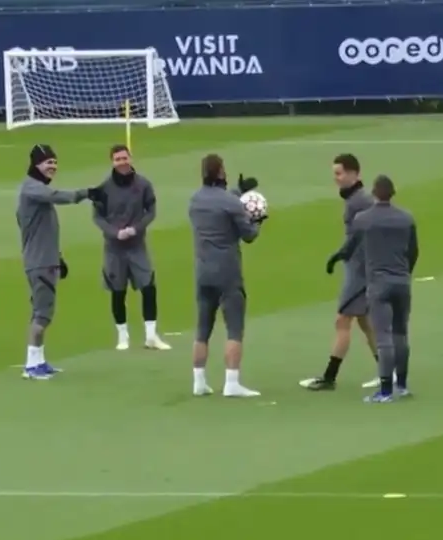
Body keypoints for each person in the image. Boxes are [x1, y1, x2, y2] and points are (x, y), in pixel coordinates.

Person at [326, 175, 416, 403]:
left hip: (378, 283)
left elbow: (349, 248)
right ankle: (402, 386)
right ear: (393, 193)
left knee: (383, 335)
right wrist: (406, 272)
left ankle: (385, 391)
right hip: (402, 281)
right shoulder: (406, 218)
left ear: (375, 194)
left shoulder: (364, 219)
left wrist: (334, 259)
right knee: (401, 334)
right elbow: (414, 251)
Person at [300, 154, 382, 391]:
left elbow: (361, 235)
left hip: (359, 271)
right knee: (366, 323)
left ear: (354, 174)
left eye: (339, 173)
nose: (336, 178)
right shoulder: (357, 199)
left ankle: (329, 377)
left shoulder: (359, 202)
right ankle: (389, 372)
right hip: (360, 268)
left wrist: (341, 254)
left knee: (342, 320)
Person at [17, 144, 99, 380]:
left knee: (43, 313)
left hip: (45, 260)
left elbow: (45, 231)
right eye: (47, 163)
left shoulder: (35, 189)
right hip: (40, 263)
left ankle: (39, 361)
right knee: (42, 315)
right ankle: (31, 366)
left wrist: (58, 257)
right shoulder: (32, 189)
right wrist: (86, 193)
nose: (52, 167)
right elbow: (58, 196)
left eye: (54, 162)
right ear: (36, 164)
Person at [188, 154, 264, 397]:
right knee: (234, 327)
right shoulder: (231, 203)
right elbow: (249, 235)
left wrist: (237, 191)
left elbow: (218, 202)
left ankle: (199, 381)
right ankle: (232, 383)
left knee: (202, 328)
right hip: (227, 272)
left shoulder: (195, 200)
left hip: (202, 271)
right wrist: (258, 220)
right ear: (221, 171)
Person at [91, 145, 170, 351]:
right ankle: (122, 337)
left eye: (124, 158)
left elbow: (151, 211)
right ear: (112, 162)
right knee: (118, 292)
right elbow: (97, 217)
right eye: (117, 159)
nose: (122, 162)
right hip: (114, 248)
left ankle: (151, 336)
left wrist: (136, 229)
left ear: (131, 158)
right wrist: (114, 232)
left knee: (148, 287)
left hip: (137, 246)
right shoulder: (104, 189)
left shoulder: (143, 185)